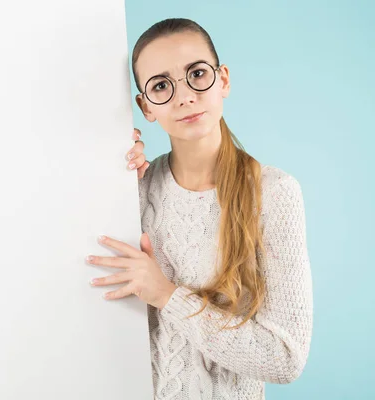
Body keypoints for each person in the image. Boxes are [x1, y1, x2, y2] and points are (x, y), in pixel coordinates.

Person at [88, 17, 313, 399]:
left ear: (223, 79)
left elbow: (285, 358)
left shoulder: (273, 193)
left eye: (196, 74)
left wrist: (166, 295)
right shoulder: (134, 188)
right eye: (161, 86)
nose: (184, 97)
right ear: (145, 107)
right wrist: (107, 166)